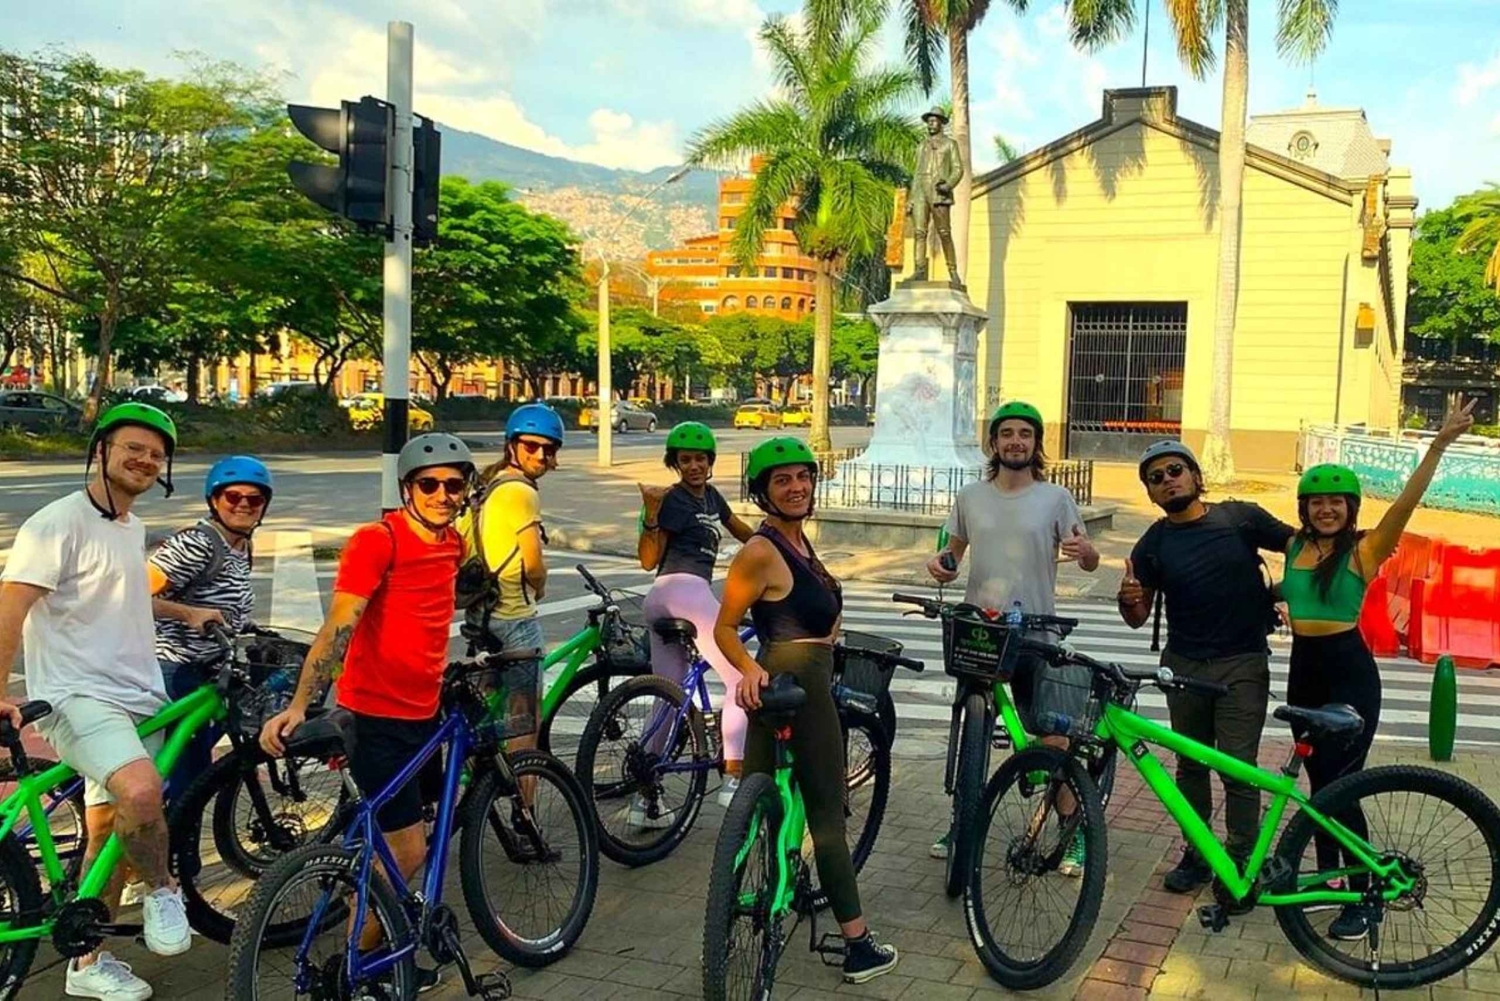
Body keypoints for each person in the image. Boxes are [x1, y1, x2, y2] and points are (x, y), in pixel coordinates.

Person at [261, 432, 476, 991]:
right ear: (407, 488)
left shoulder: (452, 543)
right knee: (407, 851)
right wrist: (299, 706)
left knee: (414, 834)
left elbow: (448, 597)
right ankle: (350, 970)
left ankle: (388, 945)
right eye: (428, 484)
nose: (442, 494)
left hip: (425, 713)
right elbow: (339, 627)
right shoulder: (377, 541)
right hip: (376, 718)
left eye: (454, 485)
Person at [0, 402, 190, 1001]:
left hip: (137, 696)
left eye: (156, 455)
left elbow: (114, 597)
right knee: (141, 793)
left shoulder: (130, 528)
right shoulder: (56, 524)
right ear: (102, 450)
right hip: (77, 698)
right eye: (134, 447)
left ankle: (87, 964)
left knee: (110, 837)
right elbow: (11, 609)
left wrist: (188, 612)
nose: (145, 460)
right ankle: (163, 891)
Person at [1281, 399, 1475, 940]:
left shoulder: (1365, 550)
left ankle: (1366, 895)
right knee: (1319, 788)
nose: (1326, 510)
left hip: (1348, 675)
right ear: (1304, 508)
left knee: (1343, 789)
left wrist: (1438, 444)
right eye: (1316, 502)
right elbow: (1290, 593)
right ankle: (1329, 883)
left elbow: (1407, 505)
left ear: (1350, 508)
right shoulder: (1295, 546)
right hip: (1304, 672)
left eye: (1335, 503)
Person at [714, 436, 899, 986]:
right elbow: (725, 626)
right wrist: (748, 669)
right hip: (798, 684)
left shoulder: (797, 544)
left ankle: (744, 897)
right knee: (828, 815)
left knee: (761, 794)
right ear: (763, 492)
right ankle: (859, 945)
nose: (796, 487)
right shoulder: (762, 551)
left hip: (795, 675)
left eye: (803, 477)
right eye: (782, 480)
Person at [926, 401, 1100, 871]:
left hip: (1036, 628)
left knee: (1052, 736)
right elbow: (950, 552)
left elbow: (1088, 558)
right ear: (994, 443)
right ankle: (962, 821)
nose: (1016, 441)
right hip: (980, 633)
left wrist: (1086, 551)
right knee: (972, 734)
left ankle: (1073, 829)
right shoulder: (970, 497)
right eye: (1007, 434)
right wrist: (940, 565)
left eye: (1025, 433)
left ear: (1036, 443)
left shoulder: (1056, 498)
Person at [1117, 440, 1296, 895]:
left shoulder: (1241, 518)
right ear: (1151, 494)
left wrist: (1286, 593)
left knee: (1238, 768)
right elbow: (1138, 617)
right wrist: (1128, 601)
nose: (1167, 480)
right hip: (1183, 668)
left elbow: (1301, 545)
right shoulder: (1153, 543)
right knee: (1191, 766)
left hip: (1242, 665)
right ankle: (1198, 853)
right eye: (1155, 478)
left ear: (1196, 476)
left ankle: (1241, 862)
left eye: (1175, 470)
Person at [637, 421, 756, 814]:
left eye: (700, 459)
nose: (693, 466)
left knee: (667, 697)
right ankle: (734, 775)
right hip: (683, 591)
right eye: (685, 460)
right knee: (740, 676)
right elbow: (649, 560)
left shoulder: (711, 499)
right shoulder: (671, 500)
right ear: (674, 463)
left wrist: (777, 543)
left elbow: (743, 532)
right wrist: (651, 514)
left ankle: (645, 793)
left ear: (710, 462)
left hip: (665, 600)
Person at [460, 402, 564, 757]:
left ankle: (474, 791)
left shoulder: (484, 489)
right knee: (524, 721)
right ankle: (525, 807)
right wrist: (542, 585)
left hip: (480, 616)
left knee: (487, 715)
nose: (539, 455)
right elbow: (533, 564)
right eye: (531, 446)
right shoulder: (521, 492)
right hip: (514, 619)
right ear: (512, 446)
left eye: (547, 449)